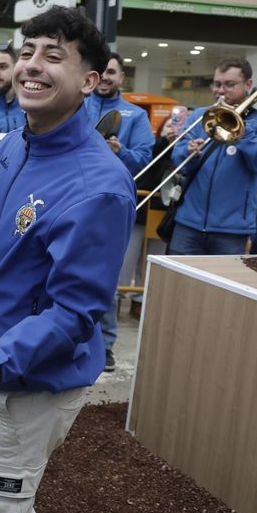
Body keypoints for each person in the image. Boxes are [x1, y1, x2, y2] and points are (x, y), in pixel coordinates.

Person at [0, 5, 136, 513]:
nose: (31, 65)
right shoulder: (12, 148)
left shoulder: (99, 186)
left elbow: (74, 313)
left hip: (26, 382)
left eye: (53, 56)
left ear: (90, 81)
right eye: (26, 52)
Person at [168, 58, 257, 255]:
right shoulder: (199, 116)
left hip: (232, 230)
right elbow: (178, 160)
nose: (221, 91)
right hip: (188, 224)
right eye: (217, 84)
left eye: (230, 85)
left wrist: (243, 132)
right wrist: (188, 151)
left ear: (248, 85)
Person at [83, 51, 154, 371]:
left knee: (106, 276)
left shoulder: (135, 116)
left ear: (121, 77)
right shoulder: (78, 104)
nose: (107, 77)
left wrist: (119, 151)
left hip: (111, 202)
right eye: (103, 71)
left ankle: (106, 344)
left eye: (113, 72)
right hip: (77, 198)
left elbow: (143, 160)